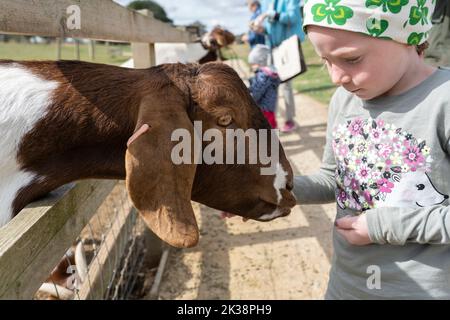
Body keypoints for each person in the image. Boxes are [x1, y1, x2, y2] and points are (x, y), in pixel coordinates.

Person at [293, 0, 450, 299]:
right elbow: (334, 179)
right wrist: (268, 189)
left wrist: (385, 226)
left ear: (404, 36)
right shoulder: (344, 100)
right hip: (346, 286)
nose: (336, 77)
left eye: (351, 59)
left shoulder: (444, 100)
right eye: (325, 60)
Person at [259, 0, 305, 133]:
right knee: (270, 87)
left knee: (286, 87)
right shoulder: (269, 3)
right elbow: (270, 28)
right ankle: (272, 121)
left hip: (286, 49)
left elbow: (293, 18)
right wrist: (260, 29)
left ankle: (289, 120)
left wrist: (270, 14)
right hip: (272, 50)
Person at [248, 44, 281, 129]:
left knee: (264, 129)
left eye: (253, 64)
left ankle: (268, 141)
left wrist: (250, 100)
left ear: (261, 61)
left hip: (264, 108)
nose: (252, 67)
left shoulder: (263, 75)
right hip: (270, 107)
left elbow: (257, 91)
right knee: (271, 126)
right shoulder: (270, 72)